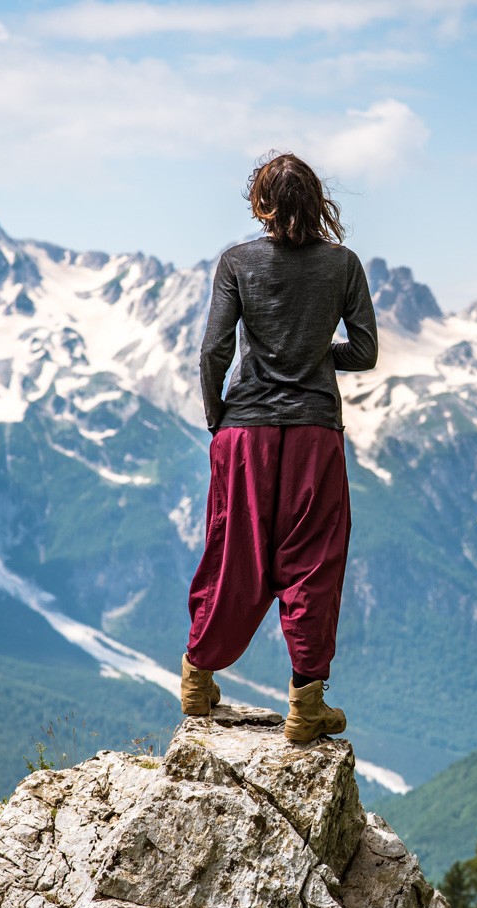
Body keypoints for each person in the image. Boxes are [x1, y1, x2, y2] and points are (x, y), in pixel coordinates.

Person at [180, 151, 378, 743]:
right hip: (315, 431)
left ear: (260, 204)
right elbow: (364, 352)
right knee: (313, 561)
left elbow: (214, 349)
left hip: (245, 433)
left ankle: (197, 680)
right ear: (318, 201)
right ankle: (305, 706)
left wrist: (220, 416)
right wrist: (316, 356)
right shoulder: (343, 266)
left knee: (231, 550)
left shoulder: (237, 262)